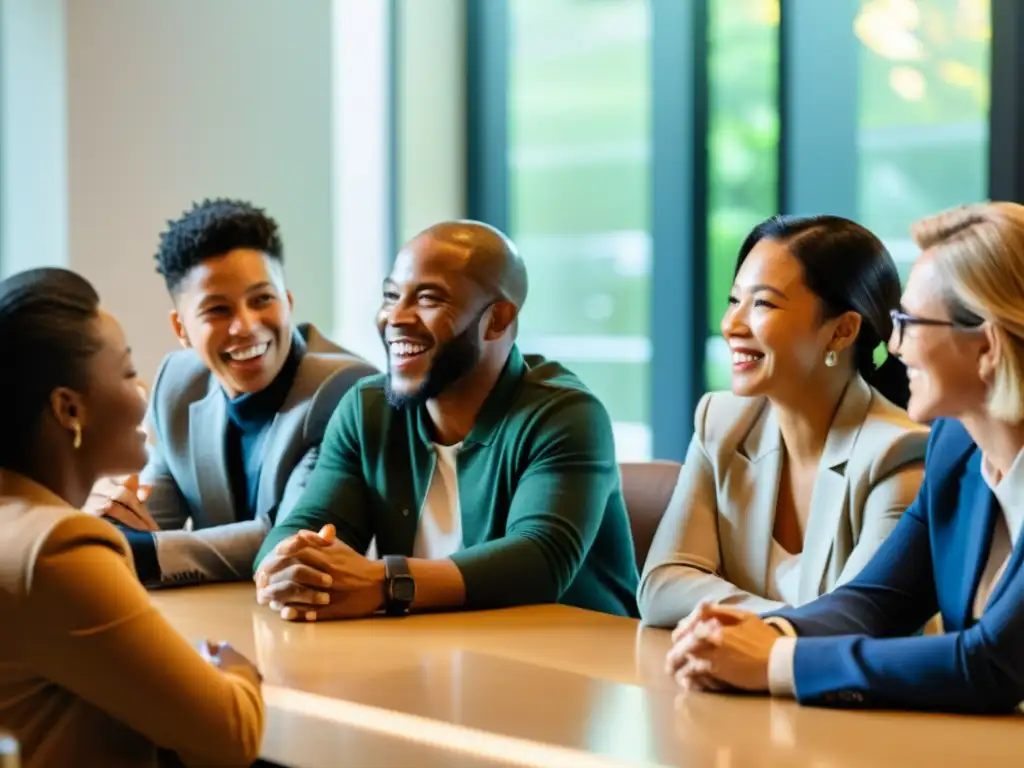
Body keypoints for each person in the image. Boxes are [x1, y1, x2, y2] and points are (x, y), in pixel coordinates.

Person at [666, 202, 1024, 715]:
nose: (895, 346)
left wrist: (776, 661)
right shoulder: (955, 446)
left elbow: (992, 664)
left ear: (987, 347)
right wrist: (761, 631)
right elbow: (878, 600)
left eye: (911, 322)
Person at [252, 220, 639, 621]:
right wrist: (287, 569)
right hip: (431, 658)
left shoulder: (565, 414)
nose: (395, 317)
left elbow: (540, 560)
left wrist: (384, 584)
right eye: (391, 296)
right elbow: (300, 528)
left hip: (575, 663)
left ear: (499, 320)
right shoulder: (366, 410)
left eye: (428, 299)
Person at [0, 267, 263, 766]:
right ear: (69, 410)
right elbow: (231, 733)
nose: (142, 389)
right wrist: (234, 669)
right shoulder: (59, 548)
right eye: (125, 372)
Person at [638, 215, 928, 628]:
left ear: (842, 331)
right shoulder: (721, 422)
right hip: (735, 684)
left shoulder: (897, 453)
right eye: (734, 300)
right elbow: (661, 588)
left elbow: (858, 627)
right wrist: (791, 621)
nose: (731, 325)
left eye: (763, 303)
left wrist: (753, 625)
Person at [86, 199, 377, 586]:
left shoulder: (347, 389)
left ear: (287, 303)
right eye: (218, 310)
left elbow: (289, 535)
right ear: (181, 329)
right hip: (224, 619)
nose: (246, 326)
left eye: (262, 300)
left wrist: (135, 550)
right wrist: (107, 525)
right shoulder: (177, 383)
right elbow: (151, 516)